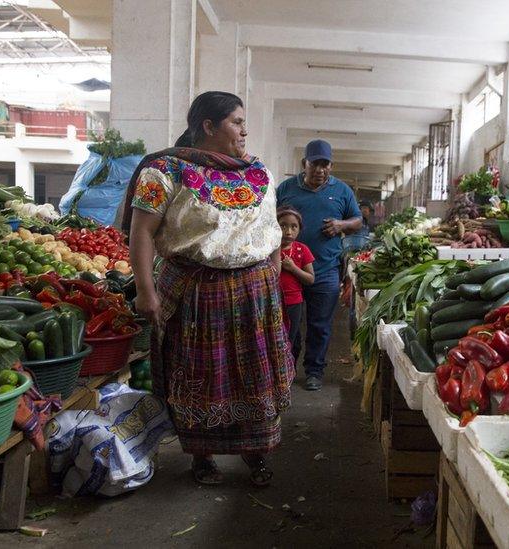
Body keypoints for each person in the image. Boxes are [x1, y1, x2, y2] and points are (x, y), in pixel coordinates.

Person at [125, 91, 293, 487]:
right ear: (208, 126)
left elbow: (269, 231)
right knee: (200, 375)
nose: (244, 130)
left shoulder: (258, 172)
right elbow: (141, 233)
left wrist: (272, 277)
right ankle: (202, 456)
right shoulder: (165, 171)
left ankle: (257, 453)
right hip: (194, 291)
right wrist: (146, 291)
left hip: (255, 292)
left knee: (255, 376)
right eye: (236, 121)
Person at [277, 140, 362, 391]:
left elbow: (357, 220)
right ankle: (287, 368)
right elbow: (269, 220)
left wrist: (341, 225)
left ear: (331, 166)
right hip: (288, 269)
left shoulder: (342, 191)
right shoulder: (286, 189)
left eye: (325, 165)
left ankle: (314, 371)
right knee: (286, 322)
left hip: (325, 269)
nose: (320, 170)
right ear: (305, 164)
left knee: (319, 324)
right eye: (314, 164)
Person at [276, 207, 315, 360]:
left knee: (290, 338)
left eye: (294, 226)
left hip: (293, 303)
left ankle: (287, 374)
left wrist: (293, 268)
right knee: (274, 337)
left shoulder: (302, 250)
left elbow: (310, 279)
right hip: (272, 301)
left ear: (300, 229)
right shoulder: (269, 249)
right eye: (283, 225)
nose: (288, 231)